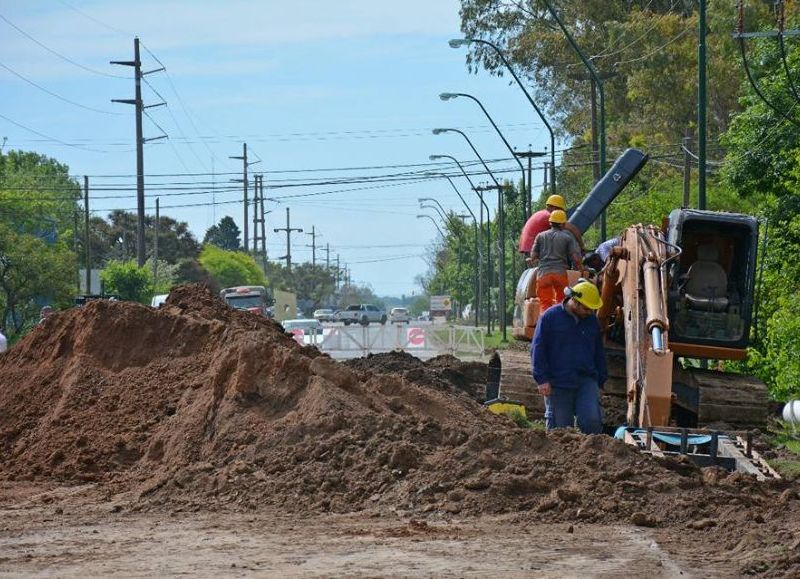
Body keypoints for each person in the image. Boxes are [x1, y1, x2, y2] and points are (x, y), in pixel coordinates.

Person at [531, 280, 607, 434]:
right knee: (560, 431)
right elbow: (537, 349)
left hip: (586, 380)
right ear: (575, 301)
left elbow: (598, 351)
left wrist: (601, 381)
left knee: (592, 421)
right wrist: (542, 379)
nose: (589, 312)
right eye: (587, 309)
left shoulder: (591, 322)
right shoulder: (549, 318)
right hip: (558, 382)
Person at [529, 210, 582, 312]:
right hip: (560, 274)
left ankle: (546, 323)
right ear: (562, 224)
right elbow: (575, 257)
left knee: (545, 304)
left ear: (550, 222)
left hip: (543, 275)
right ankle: (560, 324)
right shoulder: (567, 237)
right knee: (562, 303)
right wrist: (581, 266)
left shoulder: (540, 236)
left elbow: (533, 255)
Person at [519, 194, 585, 256]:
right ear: (554, 207)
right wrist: (582, 246)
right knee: (566, 234)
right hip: (534, 249)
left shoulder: (541, 214)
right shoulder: (549, 215)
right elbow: (572, 228)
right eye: (560, 210)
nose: (560, 212)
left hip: (528, 248)